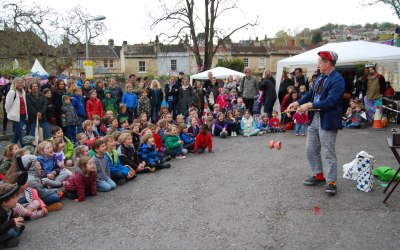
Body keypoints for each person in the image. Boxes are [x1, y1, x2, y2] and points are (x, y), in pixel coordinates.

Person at [287, 50, 344, 195]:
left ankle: (331, 182)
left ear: (327, 63)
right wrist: (297, 102)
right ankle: (318, 175)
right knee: (311, 148)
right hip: (315, 117)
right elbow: (311, 94)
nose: (317, 64)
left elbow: (330, 102)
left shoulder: (337, 80)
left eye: (320, 61)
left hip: (328, 118)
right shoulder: (320, 77)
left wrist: (309, 106)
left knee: (328, 151)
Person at [0, 183, 25, 248]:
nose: (17, 199)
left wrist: (17, 219)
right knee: (12, 232)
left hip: (4, 229)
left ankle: (12, 235)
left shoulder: (9, 209)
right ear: (5, 202)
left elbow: (10, 218)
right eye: (15, 197)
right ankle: (3, 244)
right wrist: (12, 222)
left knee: (20, 226)